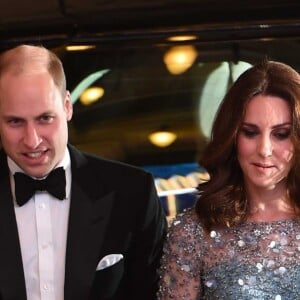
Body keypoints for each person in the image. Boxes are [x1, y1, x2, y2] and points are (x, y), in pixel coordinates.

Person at [0, 44, 167, 300]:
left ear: (67, 106)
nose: (32, 140)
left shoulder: (132, 193)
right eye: (15, 121)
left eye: (45, 118)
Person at [157, 60, 300, 299]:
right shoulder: (193, 232)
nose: (264, 149)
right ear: (232, 136)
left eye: (281, 134)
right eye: (250, 132)